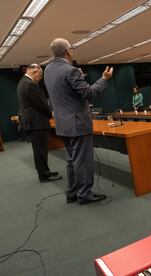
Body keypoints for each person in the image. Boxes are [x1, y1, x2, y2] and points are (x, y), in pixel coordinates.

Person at [44, 38, 113, 205]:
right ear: (68, 52)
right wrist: (104, 79)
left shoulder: (48, 70)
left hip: (63, 123)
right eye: (72, 48)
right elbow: (88, 93)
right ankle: (85, 194)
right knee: (83, 160)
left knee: (71, 160)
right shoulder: (70, 70)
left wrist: (78, 78)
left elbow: (65, 91)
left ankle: (72, 192)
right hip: (77, 124)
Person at [16, 64, 62, 182]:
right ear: (34, 72)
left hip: (32, 122)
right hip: (37, 122)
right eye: (40, 75)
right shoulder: (30, 84)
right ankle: (44, 175)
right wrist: (51, 114)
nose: (40, 78)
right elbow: (41, 104)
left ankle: (45, 172)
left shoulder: (22, 82)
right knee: (40, 151)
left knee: (39, 150)